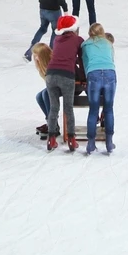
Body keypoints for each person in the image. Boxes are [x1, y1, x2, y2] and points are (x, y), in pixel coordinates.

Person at [44, 15, 84, 152]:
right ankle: (72, 140)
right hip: (67, 75)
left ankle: (51, 139)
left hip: (50, 74)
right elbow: (80, 60)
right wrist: (83, 78)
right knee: (68, 108)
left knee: (54, 107)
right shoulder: (78, 40)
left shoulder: (56, 39)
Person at [82, 23, 117, 155]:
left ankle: (91, 143)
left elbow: (85, 63)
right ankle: (109, 142)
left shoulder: (85, 45)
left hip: (93, 74)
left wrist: (89, 77)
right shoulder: (108, 43)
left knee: (93, 109)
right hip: (110, 73)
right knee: (109, 109)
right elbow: (111, 60)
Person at [30, 44, 53, 137]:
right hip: (54, 85)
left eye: (36, 55)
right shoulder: (42, 66)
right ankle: (51, 123)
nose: (35, 58)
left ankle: (52, 124)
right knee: (39, 96)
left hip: (65, 84)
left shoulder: (52, 63)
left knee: (45, 94)